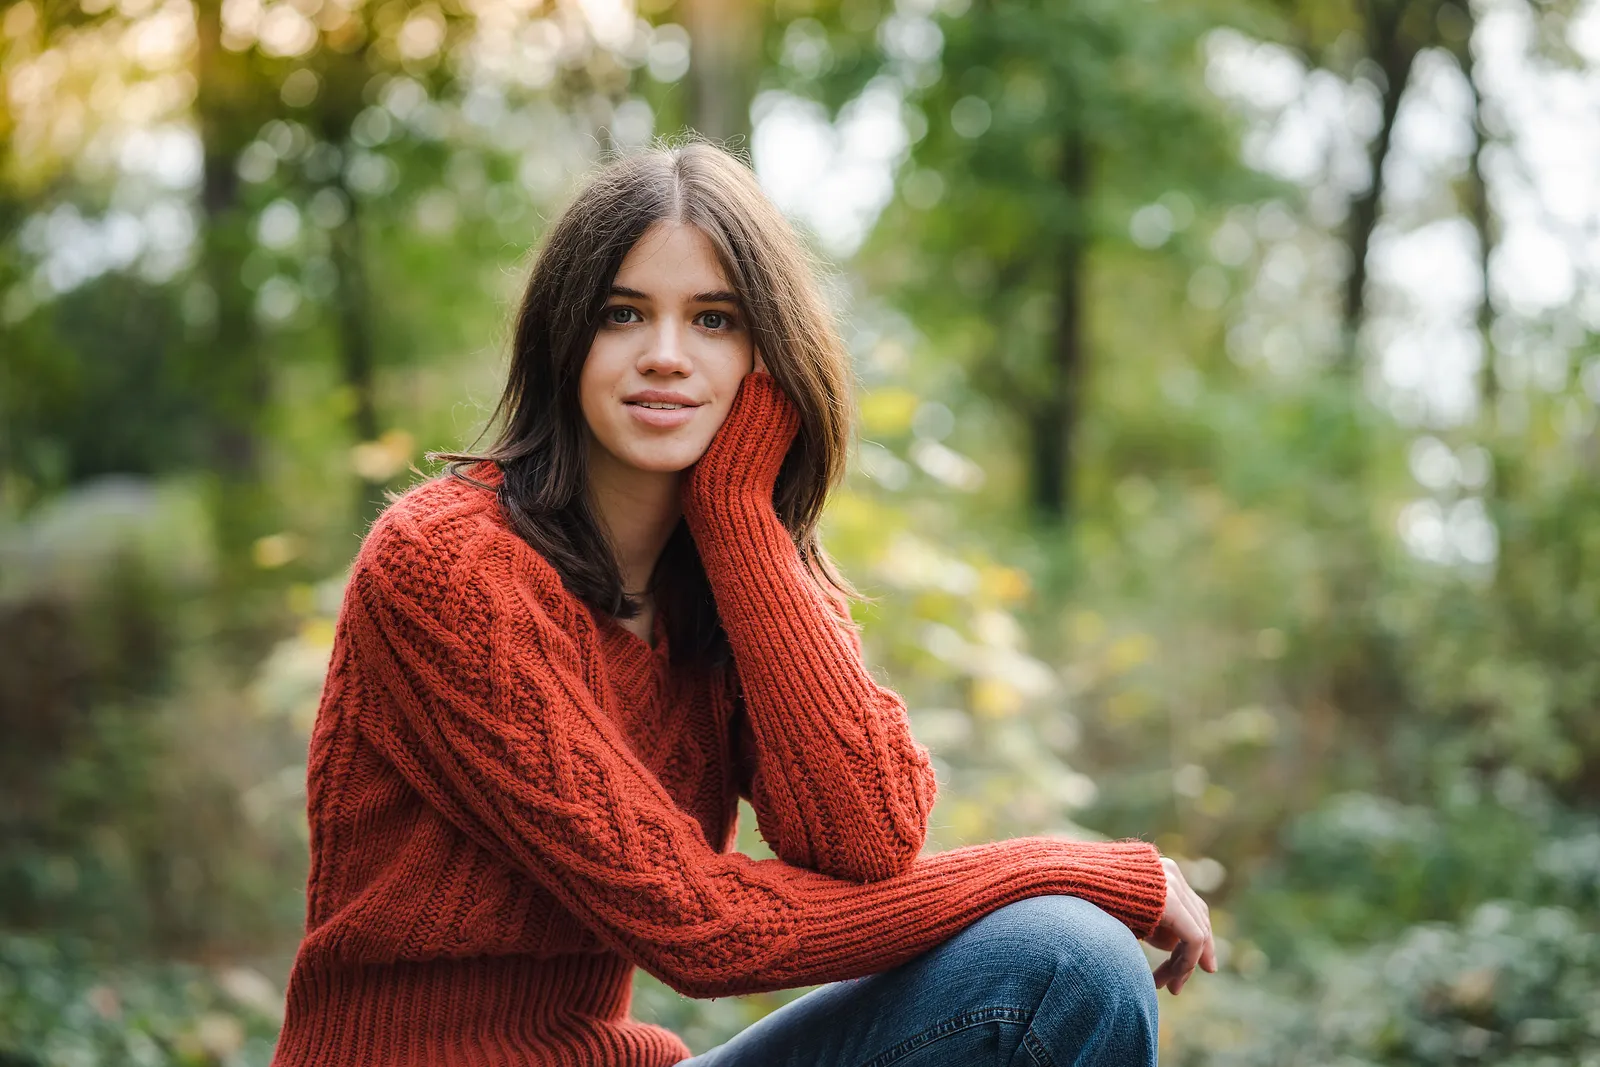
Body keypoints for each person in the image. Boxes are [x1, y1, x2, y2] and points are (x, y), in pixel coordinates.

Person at [270, 138, 1215, 1067]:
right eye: (623, 313)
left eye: (715, 319)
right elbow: (701, 928)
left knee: (1064, 966)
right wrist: (1080, 866)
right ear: (565, 338)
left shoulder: (730, 577)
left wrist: (740, 524)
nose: (667, 356)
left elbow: (870, 841)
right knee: (1070, 930)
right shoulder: (448, 566)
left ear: (769, 354)